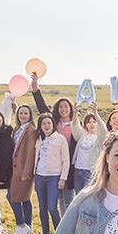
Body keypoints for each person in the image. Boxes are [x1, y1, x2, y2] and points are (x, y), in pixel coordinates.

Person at [31, 74, 76, 215]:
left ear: (70, 108)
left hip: (71, 163)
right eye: (60, 107)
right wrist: (35, 86)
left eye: (66, 106)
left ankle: (69, 225)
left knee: (69, 196)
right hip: (55, 164)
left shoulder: (76, 124)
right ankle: (62, 224)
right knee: (59, 197)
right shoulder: (54, 121)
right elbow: (42, 106)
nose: (63, 109)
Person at [34, 113, 70, 234]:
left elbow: (66, 160)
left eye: (49, 123)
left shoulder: (60, 139)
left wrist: (63, 178)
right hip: (39, 177)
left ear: (53, 125)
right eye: (43, 123)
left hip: (54, 177)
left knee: (52, 207)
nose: (46, 125)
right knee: (42, 207)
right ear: (40, 126)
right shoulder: (39, 139)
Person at [7, 104, 37, 234]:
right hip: (14, 169)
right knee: (24, 198)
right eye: (21, 113)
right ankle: (28, 227)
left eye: (26, 113)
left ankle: (21, 225)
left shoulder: (31, 130)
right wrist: (15, 106)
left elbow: (31, 152)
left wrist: (27, 172)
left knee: (13, 198)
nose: (23, 115)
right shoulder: (18, 128)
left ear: (30, 115)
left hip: (23, 170)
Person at [71, 102, 108, 193]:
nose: (91, 124)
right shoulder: (82, 135)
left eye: (94, 122)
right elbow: (75, 126)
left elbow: (103, 130)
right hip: (78, 170)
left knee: (87, 196)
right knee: (78, 195)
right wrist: (75, 113)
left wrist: (96, 113)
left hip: (90, 172)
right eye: (89, 122)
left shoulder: (100, 138)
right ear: (85, 124)